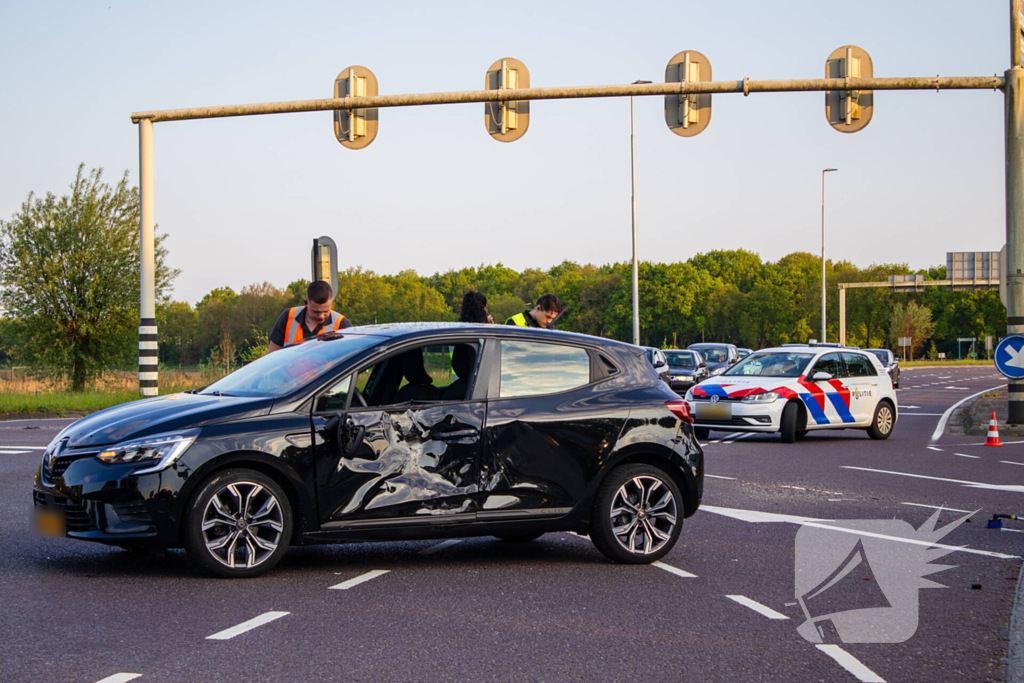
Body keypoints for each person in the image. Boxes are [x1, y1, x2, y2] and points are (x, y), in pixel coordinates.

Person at [267, 280, 352, 353]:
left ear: (332, 301)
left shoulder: (342, 325)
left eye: (326, 311)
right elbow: (272, 354)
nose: (321, 316)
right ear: (305, 302)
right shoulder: (288, 317)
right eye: (316, 312)